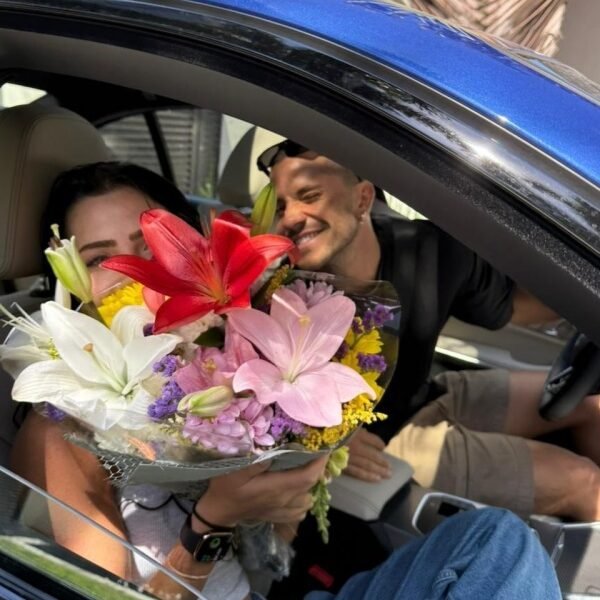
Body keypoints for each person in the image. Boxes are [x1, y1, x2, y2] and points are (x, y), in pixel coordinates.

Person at [5, 161, 561, 600]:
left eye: (150, 246)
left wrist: (293, 480)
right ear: (71, 285)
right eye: (100, 259)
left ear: (194, 243)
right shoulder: (61, 426)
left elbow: (268, 558)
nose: (138, 273)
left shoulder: (226, 358)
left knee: (499, 539)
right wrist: (212, 520)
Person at [262, 141, 600, 523]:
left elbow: (513, 308)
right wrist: (323, 440)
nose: (291, 218)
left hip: (428, 396)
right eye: (280, 207)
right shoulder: (278, 293)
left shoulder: (430, 250)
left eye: (309, 196)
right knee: (585, 483)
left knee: (593, 402)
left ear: (363, 199)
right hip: (385, 441)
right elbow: (249, 404)